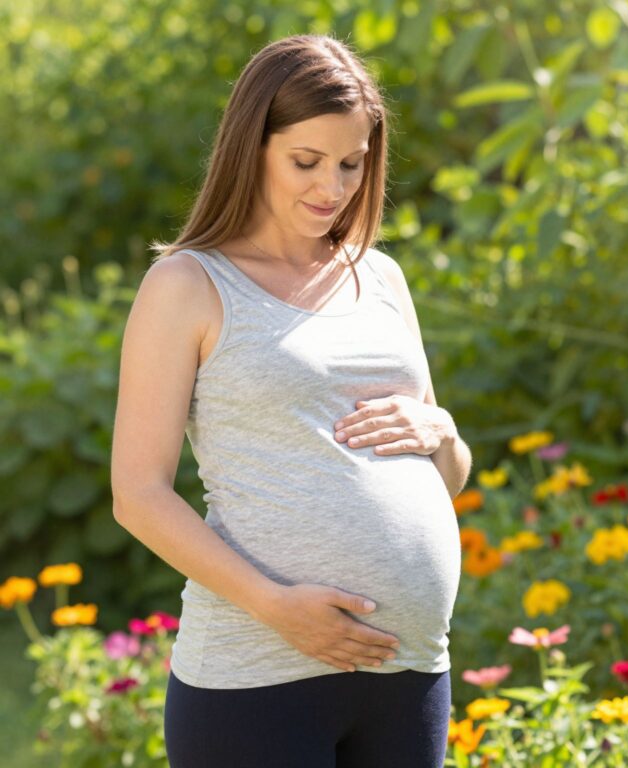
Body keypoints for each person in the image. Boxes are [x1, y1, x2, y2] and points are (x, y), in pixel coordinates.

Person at [109, 33, 472, 767]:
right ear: (253, 148)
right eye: (306, 162)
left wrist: (442, 431)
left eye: (351, 163)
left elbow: (447, 476)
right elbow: (138, 494)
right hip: (259, 673)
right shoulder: (188, 285)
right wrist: (277, 607)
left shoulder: (382, 279)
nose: (331, 187)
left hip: (407, 671)